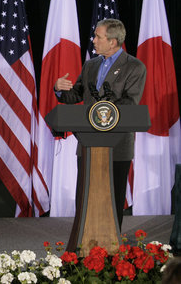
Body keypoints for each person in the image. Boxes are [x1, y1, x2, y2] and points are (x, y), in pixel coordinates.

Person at [54, 18, 146, 229]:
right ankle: (83, 244)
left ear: (113, 42)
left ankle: (111, 249)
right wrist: (60, 88)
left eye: (98, 36)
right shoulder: (90, 65)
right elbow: (76, 94)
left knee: (112, 200)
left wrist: (98, 111)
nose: (93, 40)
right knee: (85, 197)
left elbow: (129, 103)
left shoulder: (134, 67)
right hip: (88, 143)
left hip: (117, 144)